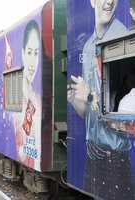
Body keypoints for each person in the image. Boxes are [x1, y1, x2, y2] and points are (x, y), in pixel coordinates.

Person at [67, 0, 134, 199]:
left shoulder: (119, 37)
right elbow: (89, 113)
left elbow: (117, 111)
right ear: (93, 1)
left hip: (114, 160)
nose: (109, 1)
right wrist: (75, 99)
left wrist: (88, 96)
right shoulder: (88, 47)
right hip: (92, 155)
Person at [15, 19, 42, 169]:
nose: (33, 62)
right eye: (30, 52)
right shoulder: (18, 99)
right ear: (23, 54)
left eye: (37, 53)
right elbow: (21, 153)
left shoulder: (36, 97)